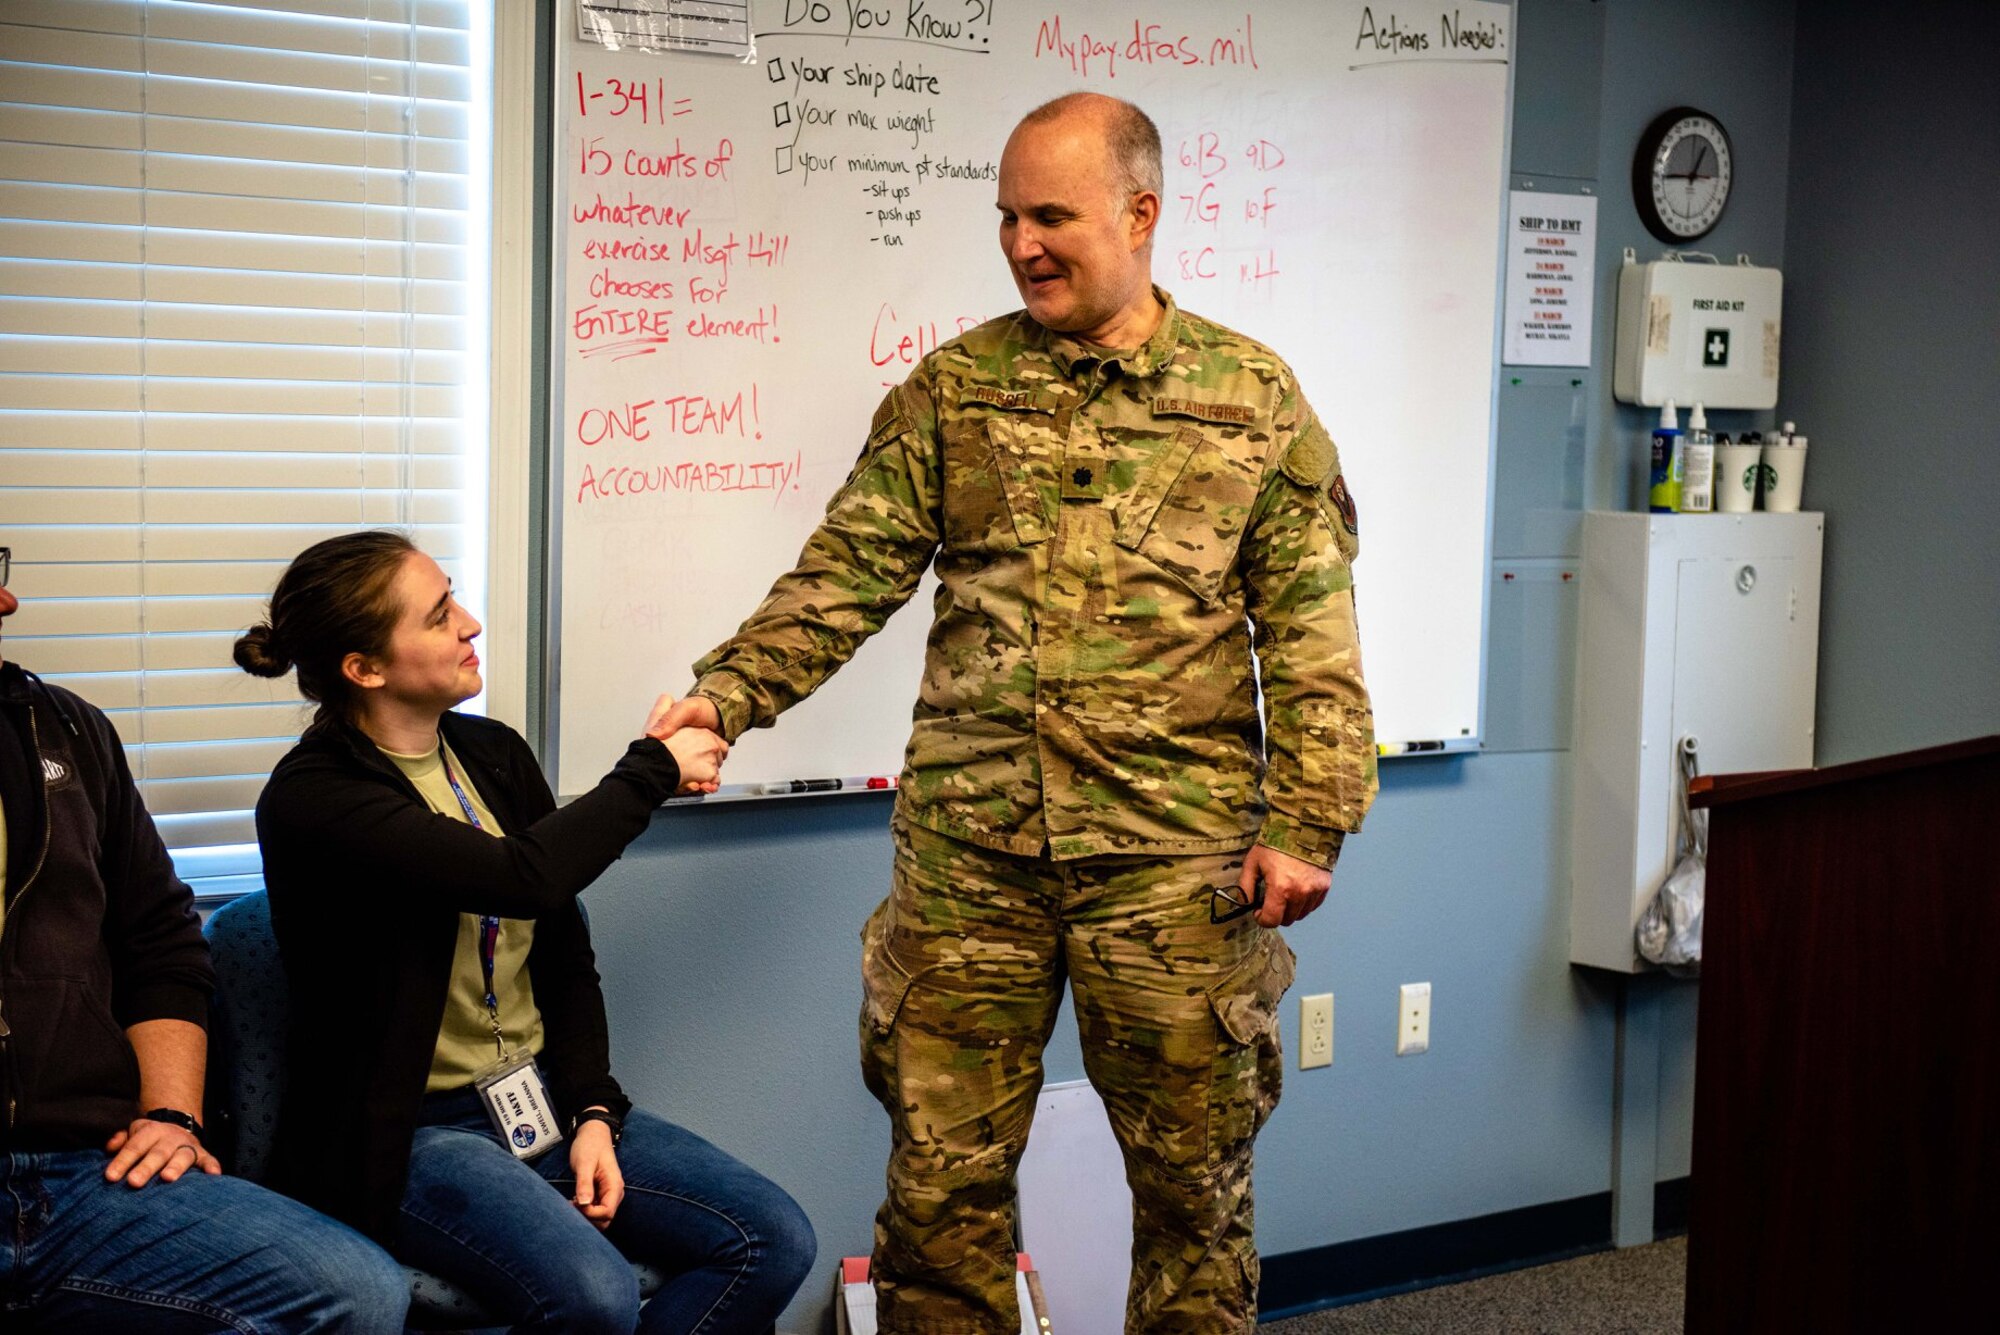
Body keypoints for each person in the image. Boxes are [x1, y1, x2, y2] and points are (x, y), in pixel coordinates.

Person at [648, 93, 1377, 1333]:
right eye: (1006, 216)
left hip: (1171, 870)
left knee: (1192, 1207)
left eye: (1052, 215)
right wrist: (729, 694)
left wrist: (1310, 817)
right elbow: (847, 571)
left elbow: (1309, 630)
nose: (1021, 242)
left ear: (1140, 216)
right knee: (939, 1201)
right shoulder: (957, 390)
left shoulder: (1250, 399)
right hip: (969, 863)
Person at [238, 530, 815, 1334]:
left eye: (456, 598)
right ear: (364, 668)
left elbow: (563, 950)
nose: (471, 623)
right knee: (595, 1294)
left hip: (537, 1099)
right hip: (412, 1133)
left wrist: (593, 1114)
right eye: (439, 616)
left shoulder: (492, 753)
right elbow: (524, 875)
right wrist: (653, 767)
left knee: (773, 1239)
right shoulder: (315, 799)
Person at [0, 545, 410, 1332]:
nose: (8, 604)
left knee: (355, 1291)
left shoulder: (67, 731)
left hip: (84, 1169)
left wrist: (174, 1119)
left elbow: (160, 943)